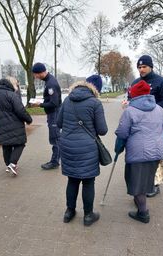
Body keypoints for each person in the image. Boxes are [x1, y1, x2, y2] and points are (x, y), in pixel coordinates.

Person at [115, 80, 163, 223]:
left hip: (137, 155)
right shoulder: (159, 109)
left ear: (134, 95)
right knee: (146, 181)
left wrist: (117, 149)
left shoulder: (130, 111)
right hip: (156, 153)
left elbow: (122, 133)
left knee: (136, 184)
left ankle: (143, 213)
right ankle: (141, 203)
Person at [57, 75, 108, 226]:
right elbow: (102, 130)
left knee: (72, 180)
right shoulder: (95, 103)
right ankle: (88, 216)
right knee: (88, 182)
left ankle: (69, 212)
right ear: (96, 89)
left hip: (67, 146)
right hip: (87, 148)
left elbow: (59, 123)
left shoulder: (67, 100)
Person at [128, 55, 163, 197]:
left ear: (150, 66)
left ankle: (155, 184)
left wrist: (151, 110)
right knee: (141, 154)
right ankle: (140, 184)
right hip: (138, 127)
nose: (141, 69)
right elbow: (130, 99)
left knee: (156, 154)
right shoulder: (135, 82)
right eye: (139, 67)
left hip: (156, 125)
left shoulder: (161, 82)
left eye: (144, 67)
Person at [0, 76, 33, 175]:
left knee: (6, 145)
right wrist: (28, 119)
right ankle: (12, 164)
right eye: (16, 84)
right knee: (20, 144)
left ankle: (8, 164)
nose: (17, 86)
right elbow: (20, 110)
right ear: (12, 84)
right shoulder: (12, 95)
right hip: (14, 124)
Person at [31, 63, 62, 170]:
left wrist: (39, 104)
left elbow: (54, 103)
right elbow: (51, 100)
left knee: (55, 138)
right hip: (53, 113)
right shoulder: (48, 81)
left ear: (41, 72)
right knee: (56, 137)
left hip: (54, 113)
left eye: (36, 74)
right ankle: (56, 159)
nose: (35, 77)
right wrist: (42, 101)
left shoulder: (50, 84)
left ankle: (55, 162)